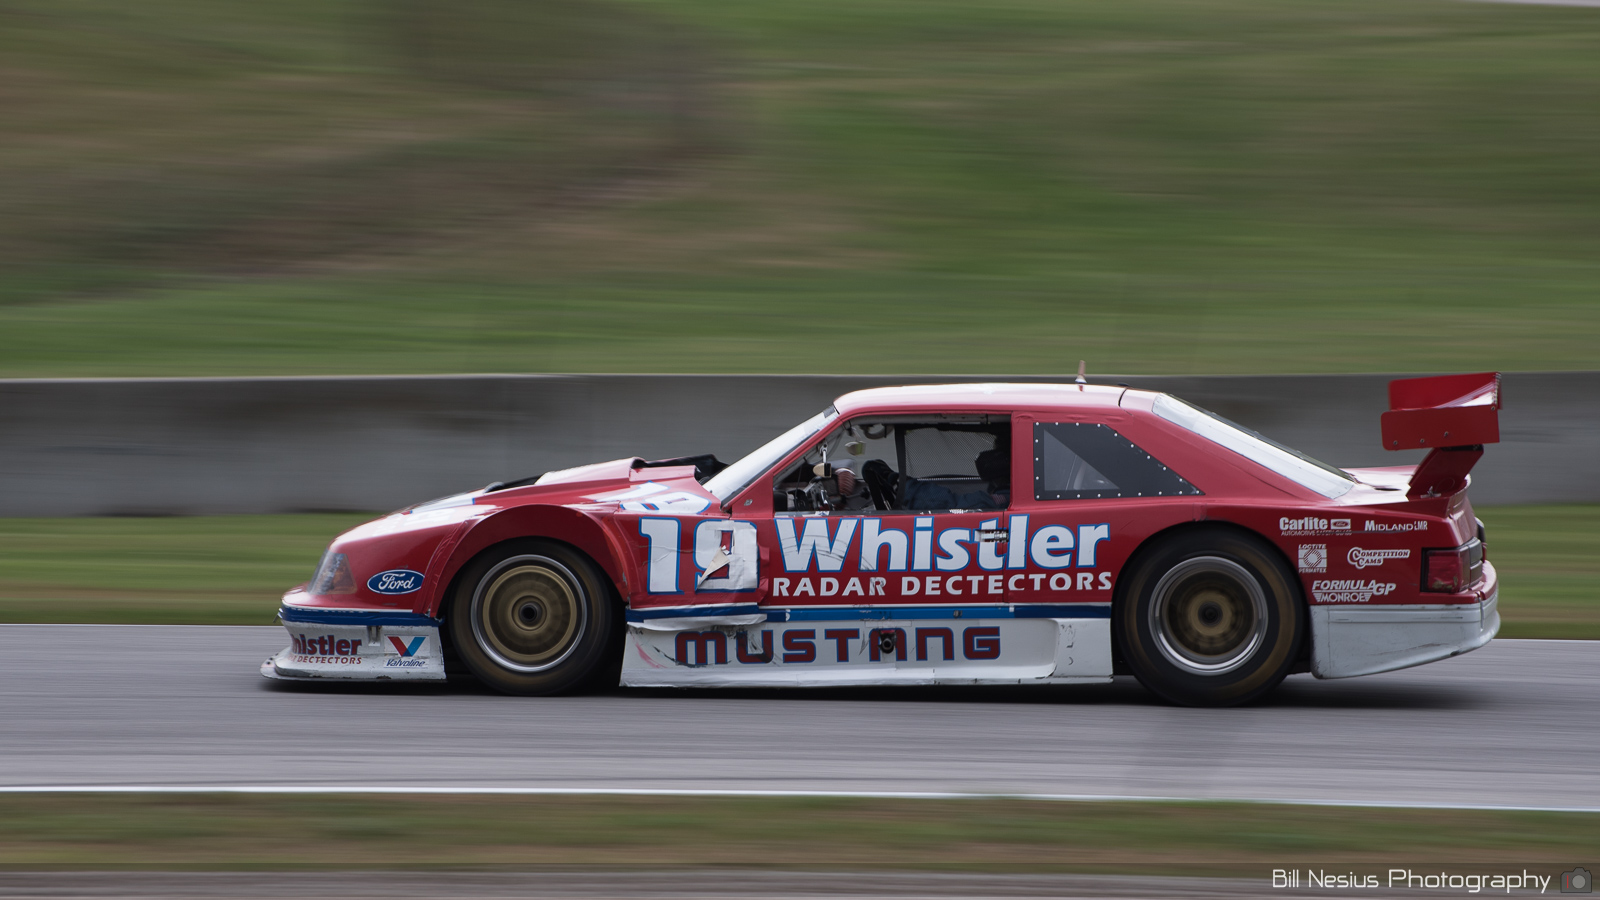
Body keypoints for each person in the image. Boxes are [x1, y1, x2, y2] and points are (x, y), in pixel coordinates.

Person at [861, 442, 1010, 511]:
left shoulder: (1006, 499)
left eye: (998, 451)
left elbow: (951, 505)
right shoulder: (1002, 491)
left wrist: (899, 483)